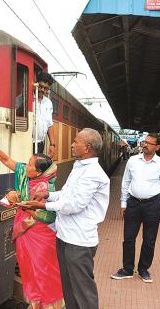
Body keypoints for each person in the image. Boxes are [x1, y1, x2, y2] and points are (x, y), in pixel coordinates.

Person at [20, 128, 110, 309]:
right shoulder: (80, 167)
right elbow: (67, 194)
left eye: (76, 141)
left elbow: (74, 205)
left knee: (83, 292)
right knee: (69, 290)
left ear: (88, 148)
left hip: (79, 241)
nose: (72, 144)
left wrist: (42, 206)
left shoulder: (92, 173)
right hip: (65, 236)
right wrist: (48, 195)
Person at [0, 130, 64, 309]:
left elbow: (49, 215)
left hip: (41, 235)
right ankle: (35, 303)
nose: (24, 166)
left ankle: (51, 305)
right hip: (25, 232)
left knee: (44, 270)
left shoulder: (46, 188)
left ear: (38, 172)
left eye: (29, 165)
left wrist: (27, 207)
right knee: (28, 267)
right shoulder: (24, 175)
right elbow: (6, 160)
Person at [111, 133, 160, 283]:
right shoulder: (132, 161)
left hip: (153, 205)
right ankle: (127, 269)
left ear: (157, 147)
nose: (145, 145)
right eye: (145, 142)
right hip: (133, 203)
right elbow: (125, 183)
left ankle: (143, 269)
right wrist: (123, 203)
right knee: (129, 238)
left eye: (150, 143)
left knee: (149, 239)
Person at [33, 72, 56, 158]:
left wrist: (52, 144)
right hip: (27, 142)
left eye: (46, 88)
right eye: (40, 86)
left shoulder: (48, 103)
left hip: (40, 144)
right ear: (36, 84)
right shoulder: (28, 98)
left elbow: (49, 125)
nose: (42, 90)